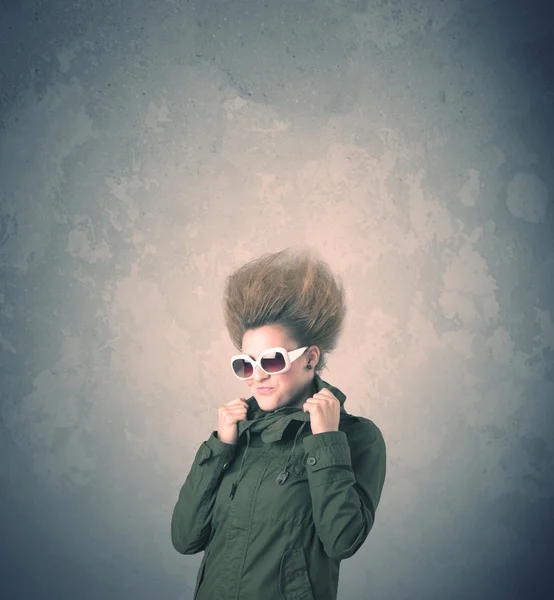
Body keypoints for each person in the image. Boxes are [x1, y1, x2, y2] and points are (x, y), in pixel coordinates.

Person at [171, 246, 387, 600]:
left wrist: (326, 441)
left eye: (271, 361)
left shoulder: (356, 437)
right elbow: (185, 538)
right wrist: (219, 448)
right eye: (245, 364)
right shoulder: (237, 434)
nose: (256, 377)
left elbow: (343, 540)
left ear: (310, 359)